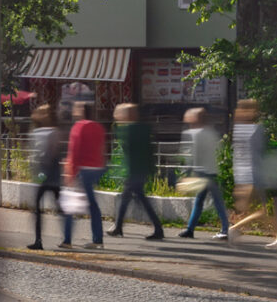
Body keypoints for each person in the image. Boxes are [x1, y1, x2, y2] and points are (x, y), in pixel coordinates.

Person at [227, 100, 277, 247]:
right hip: (254, 175)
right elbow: (258, 154)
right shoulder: (256, 129)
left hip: (244, 176)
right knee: (262, 211)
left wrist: (239, 179)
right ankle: (234, 228)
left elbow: (239, 156)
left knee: (255, 210)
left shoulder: (239, 129)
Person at [110, 104, 165, 240]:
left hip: (134, 170)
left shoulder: (128, 130)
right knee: (134, 198)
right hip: (142, 170)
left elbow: (126, 147)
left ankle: (157, 229)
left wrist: (117, 124)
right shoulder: (144, 128)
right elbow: (149, 150)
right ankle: (119, 227)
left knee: (132, 199)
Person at [178, 107, 228, 240]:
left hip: (200, 172)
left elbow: (191, 155)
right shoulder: (211, 132)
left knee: (203, 202)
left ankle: (223, 229)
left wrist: (187, 172)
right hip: (211, 171)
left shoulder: (193, 133)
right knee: (211, 201)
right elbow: (218, 149)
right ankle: (191, 229)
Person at [62, 102, 107, 249]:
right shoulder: (98, 127)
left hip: (83, 170)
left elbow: (74, 151)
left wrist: (70, 173)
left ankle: (67, 241)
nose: (73, 110)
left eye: (75, 108)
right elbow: (102, 148)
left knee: (69, 206)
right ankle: (98, 239)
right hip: (96, 168)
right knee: (92, 204)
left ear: (81, 111)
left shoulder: (79, 126)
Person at [25, 105, 67, 250]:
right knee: (49, 209)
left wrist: (41, 173)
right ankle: (60, 239)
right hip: (48, 176)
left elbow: (49, 154)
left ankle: (43, 240)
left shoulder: (51, 132)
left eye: (40, 113)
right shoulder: (41, 131)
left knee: (45, 209)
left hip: (48, 177)